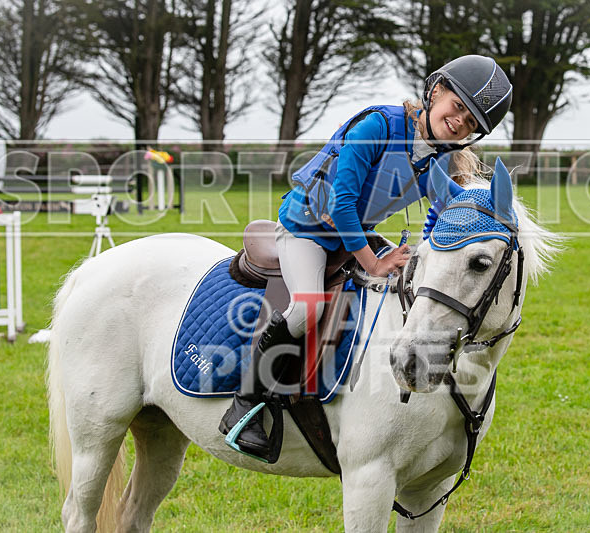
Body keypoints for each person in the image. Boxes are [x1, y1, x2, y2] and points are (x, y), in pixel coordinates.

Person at [219, 55, 513, 458]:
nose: (460, 121)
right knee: (306, 310)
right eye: (458, 106)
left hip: (352, 236)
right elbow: (341, 205)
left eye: (472, 122)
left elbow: (447, 212)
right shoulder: (378, 125)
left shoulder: (441, 158)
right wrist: (373, 262)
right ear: (435, 92)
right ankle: (247, 402)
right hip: (306, 230)